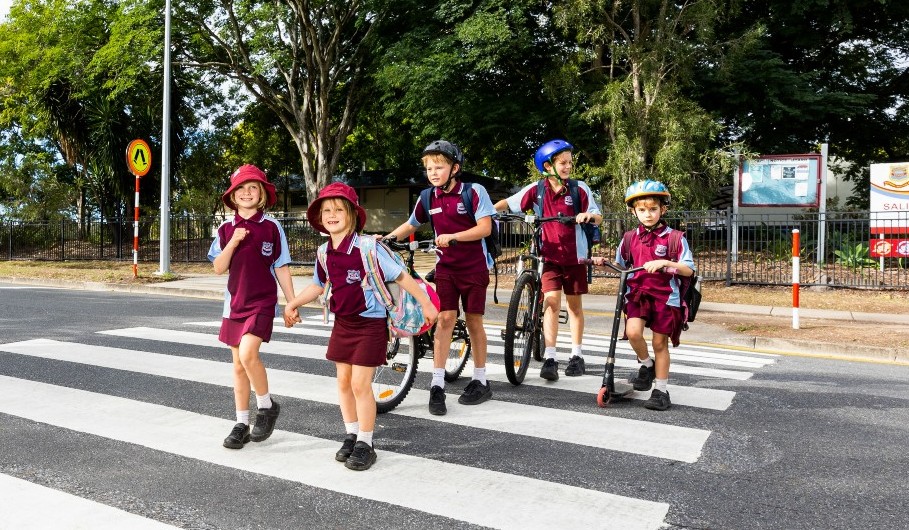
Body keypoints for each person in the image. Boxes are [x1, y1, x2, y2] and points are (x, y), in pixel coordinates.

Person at [283, 183, 438, 471]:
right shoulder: (323, 253)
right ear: (319, 218)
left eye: (339, 209)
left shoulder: (368, 248)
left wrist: (427, 303)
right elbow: (318, 286)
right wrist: (293, 303)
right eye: (326, 210)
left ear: (353, 215)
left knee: (359, 384)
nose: (332, 214)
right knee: (343, 382)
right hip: (344, 323)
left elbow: (402, 277)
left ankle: (366, 442)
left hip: (371, 324)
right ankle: (351, 433)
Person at [386, 140, 496, 415]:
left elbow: (484, 228)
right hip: (446, 268)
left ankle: (480, 379)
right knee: (444, 318)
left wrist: (454, 237)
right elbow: (412, 223)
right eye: (429, 168)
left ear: (454, 168)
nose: (434, 172)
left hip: (474, 267)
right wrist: (386, 239)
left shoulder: (473, 192)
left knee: (473, 321)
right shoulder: (428, 198)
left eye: (440, 166)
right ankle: (437, 385)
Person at [493, 139, 602, 381]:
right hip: (549, 257)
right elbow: (510, 203)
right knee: (551, 303)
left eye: (570, 163)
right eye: (562, 162)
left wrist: (587, 215)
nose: (568, 167)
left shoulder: (579, 188)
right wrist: (488, 211)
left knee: (574, 307)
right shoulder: (537, 189)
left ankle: (576, 355)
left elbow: (598, 216)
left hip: (575, 257)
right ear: (548, 165)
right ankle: (550, 357)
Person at [208, 164, 296, 449]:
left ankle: (266, 406)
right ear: (233, 196)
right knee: (237, 366)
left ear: (261, 195)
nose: (247, 192)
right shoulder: (224, 229)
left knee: (248, 354)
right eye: (241, 188)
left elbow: (281, 267)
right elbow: (219, 268)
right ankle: (241, 422)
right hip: (234, 304)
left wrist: (291, 303)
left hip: (262, 301)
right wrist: (232, 242)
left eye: (253, 187)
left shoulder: (272, 227)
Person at [593, 179, 695, 411]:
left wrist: (666, 262)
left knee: (660, 343)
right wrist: (604, 263)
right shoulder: (629, 238)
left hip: (665, 297)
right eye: (642, 210)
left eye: (653, 209)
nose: (647, 214)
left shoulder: (675, 238)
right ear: (633, 211)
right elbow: (619, 266)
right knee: (632, 333)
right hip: (637, 294)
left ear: (663, 209)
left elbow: (688, 269)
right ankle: (646, 364)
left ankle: (661, 390)